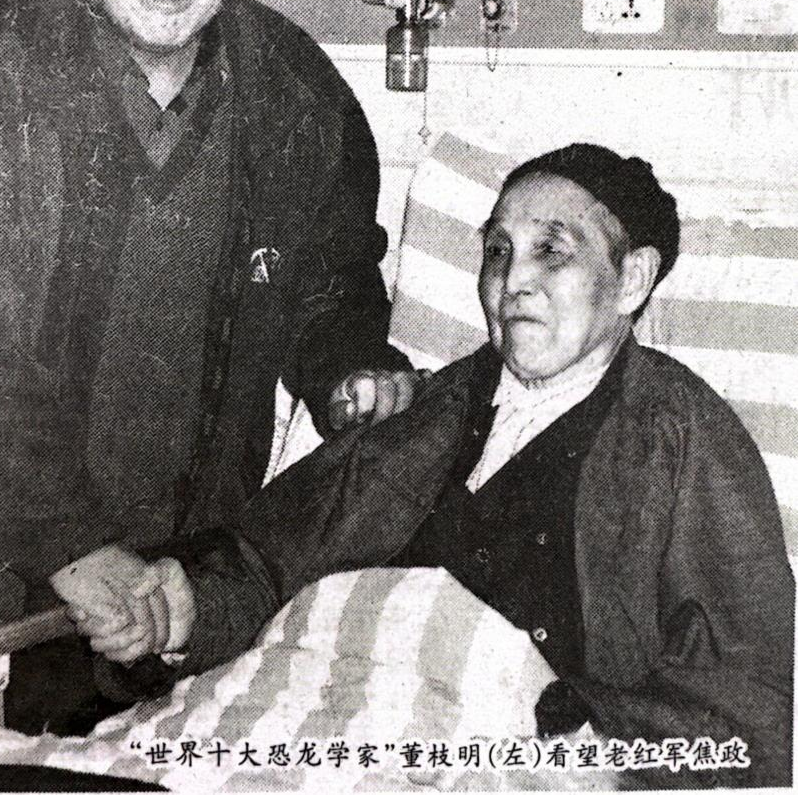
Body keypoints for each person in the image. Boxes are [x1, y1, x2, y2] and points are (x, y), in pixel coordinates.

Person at [0, 0, 420, 725]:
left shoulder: (294, 92)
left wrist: (349, 365)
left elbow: (333, 278)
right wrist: (73, 550)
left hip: (190, 598)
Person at [65, 144, 794, 787]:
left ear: (632, 279)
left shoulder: (679, 434)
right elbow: (266, 568)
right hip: (311, 711)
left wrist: (576, 724)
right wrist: (182, 616)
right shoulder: (426, 408)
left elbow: (754, 700)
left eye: (551, 251)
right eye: (498, 251)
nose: (513, 281)